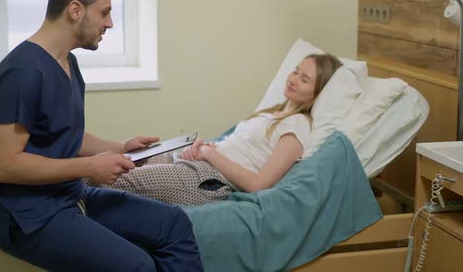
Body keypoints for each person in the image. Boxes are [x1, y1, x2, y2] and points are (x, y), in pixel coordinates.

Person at [0, 0, 203, 272]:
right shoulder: (23, 73)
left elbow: (61, 135)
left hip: (66, 196)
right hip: (27, 217)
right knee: (137, 265)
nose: (109, 23)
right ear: (75, 10)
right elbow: (3, 166)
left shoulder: (67, 63)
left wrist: (123, 147)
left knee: (174, 225)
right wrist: (89, 167)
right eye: (104, 12)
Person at [84, 53, 343, 205]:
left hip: (208, 179)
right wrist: (204, 148)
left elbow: (258, 185)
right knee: (118, 160)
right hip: (197, 159)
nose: (294, 79)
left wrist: (210, 154)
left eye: (305, 78)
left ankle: (52, 193)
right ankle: (54, 176)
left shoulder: (297, 127)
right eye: (296, 71)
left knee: (114, 178)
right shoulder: (273, 112)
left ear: (317, 92)